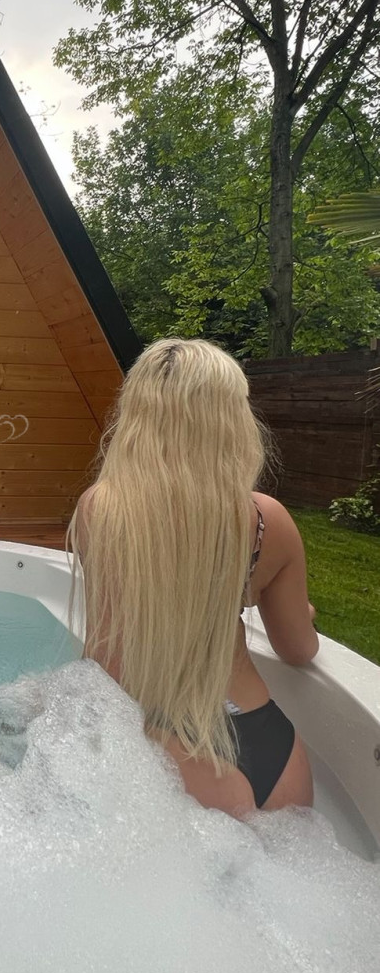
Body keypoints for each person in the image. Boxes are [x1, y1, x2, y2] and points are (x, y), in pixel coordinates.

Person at [69, 338, 319, 817]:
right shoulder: (267, 520)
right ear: (231, 419)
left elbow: (108, 655)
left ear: (138, 416)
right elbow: (298, 649)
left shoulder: (104, 511)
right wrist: (300, 612)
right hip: (274, 751)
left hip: (172, 748)